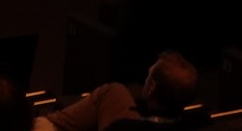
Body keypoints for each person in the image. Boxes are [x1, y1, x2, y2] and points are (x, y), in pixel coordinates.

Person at [42, 52, 198, 131]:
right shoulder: (190, 123)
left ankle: (43, 124)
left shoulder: (124, 128)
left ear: (151, 88)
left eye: (149, 75)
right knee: (114, 91)